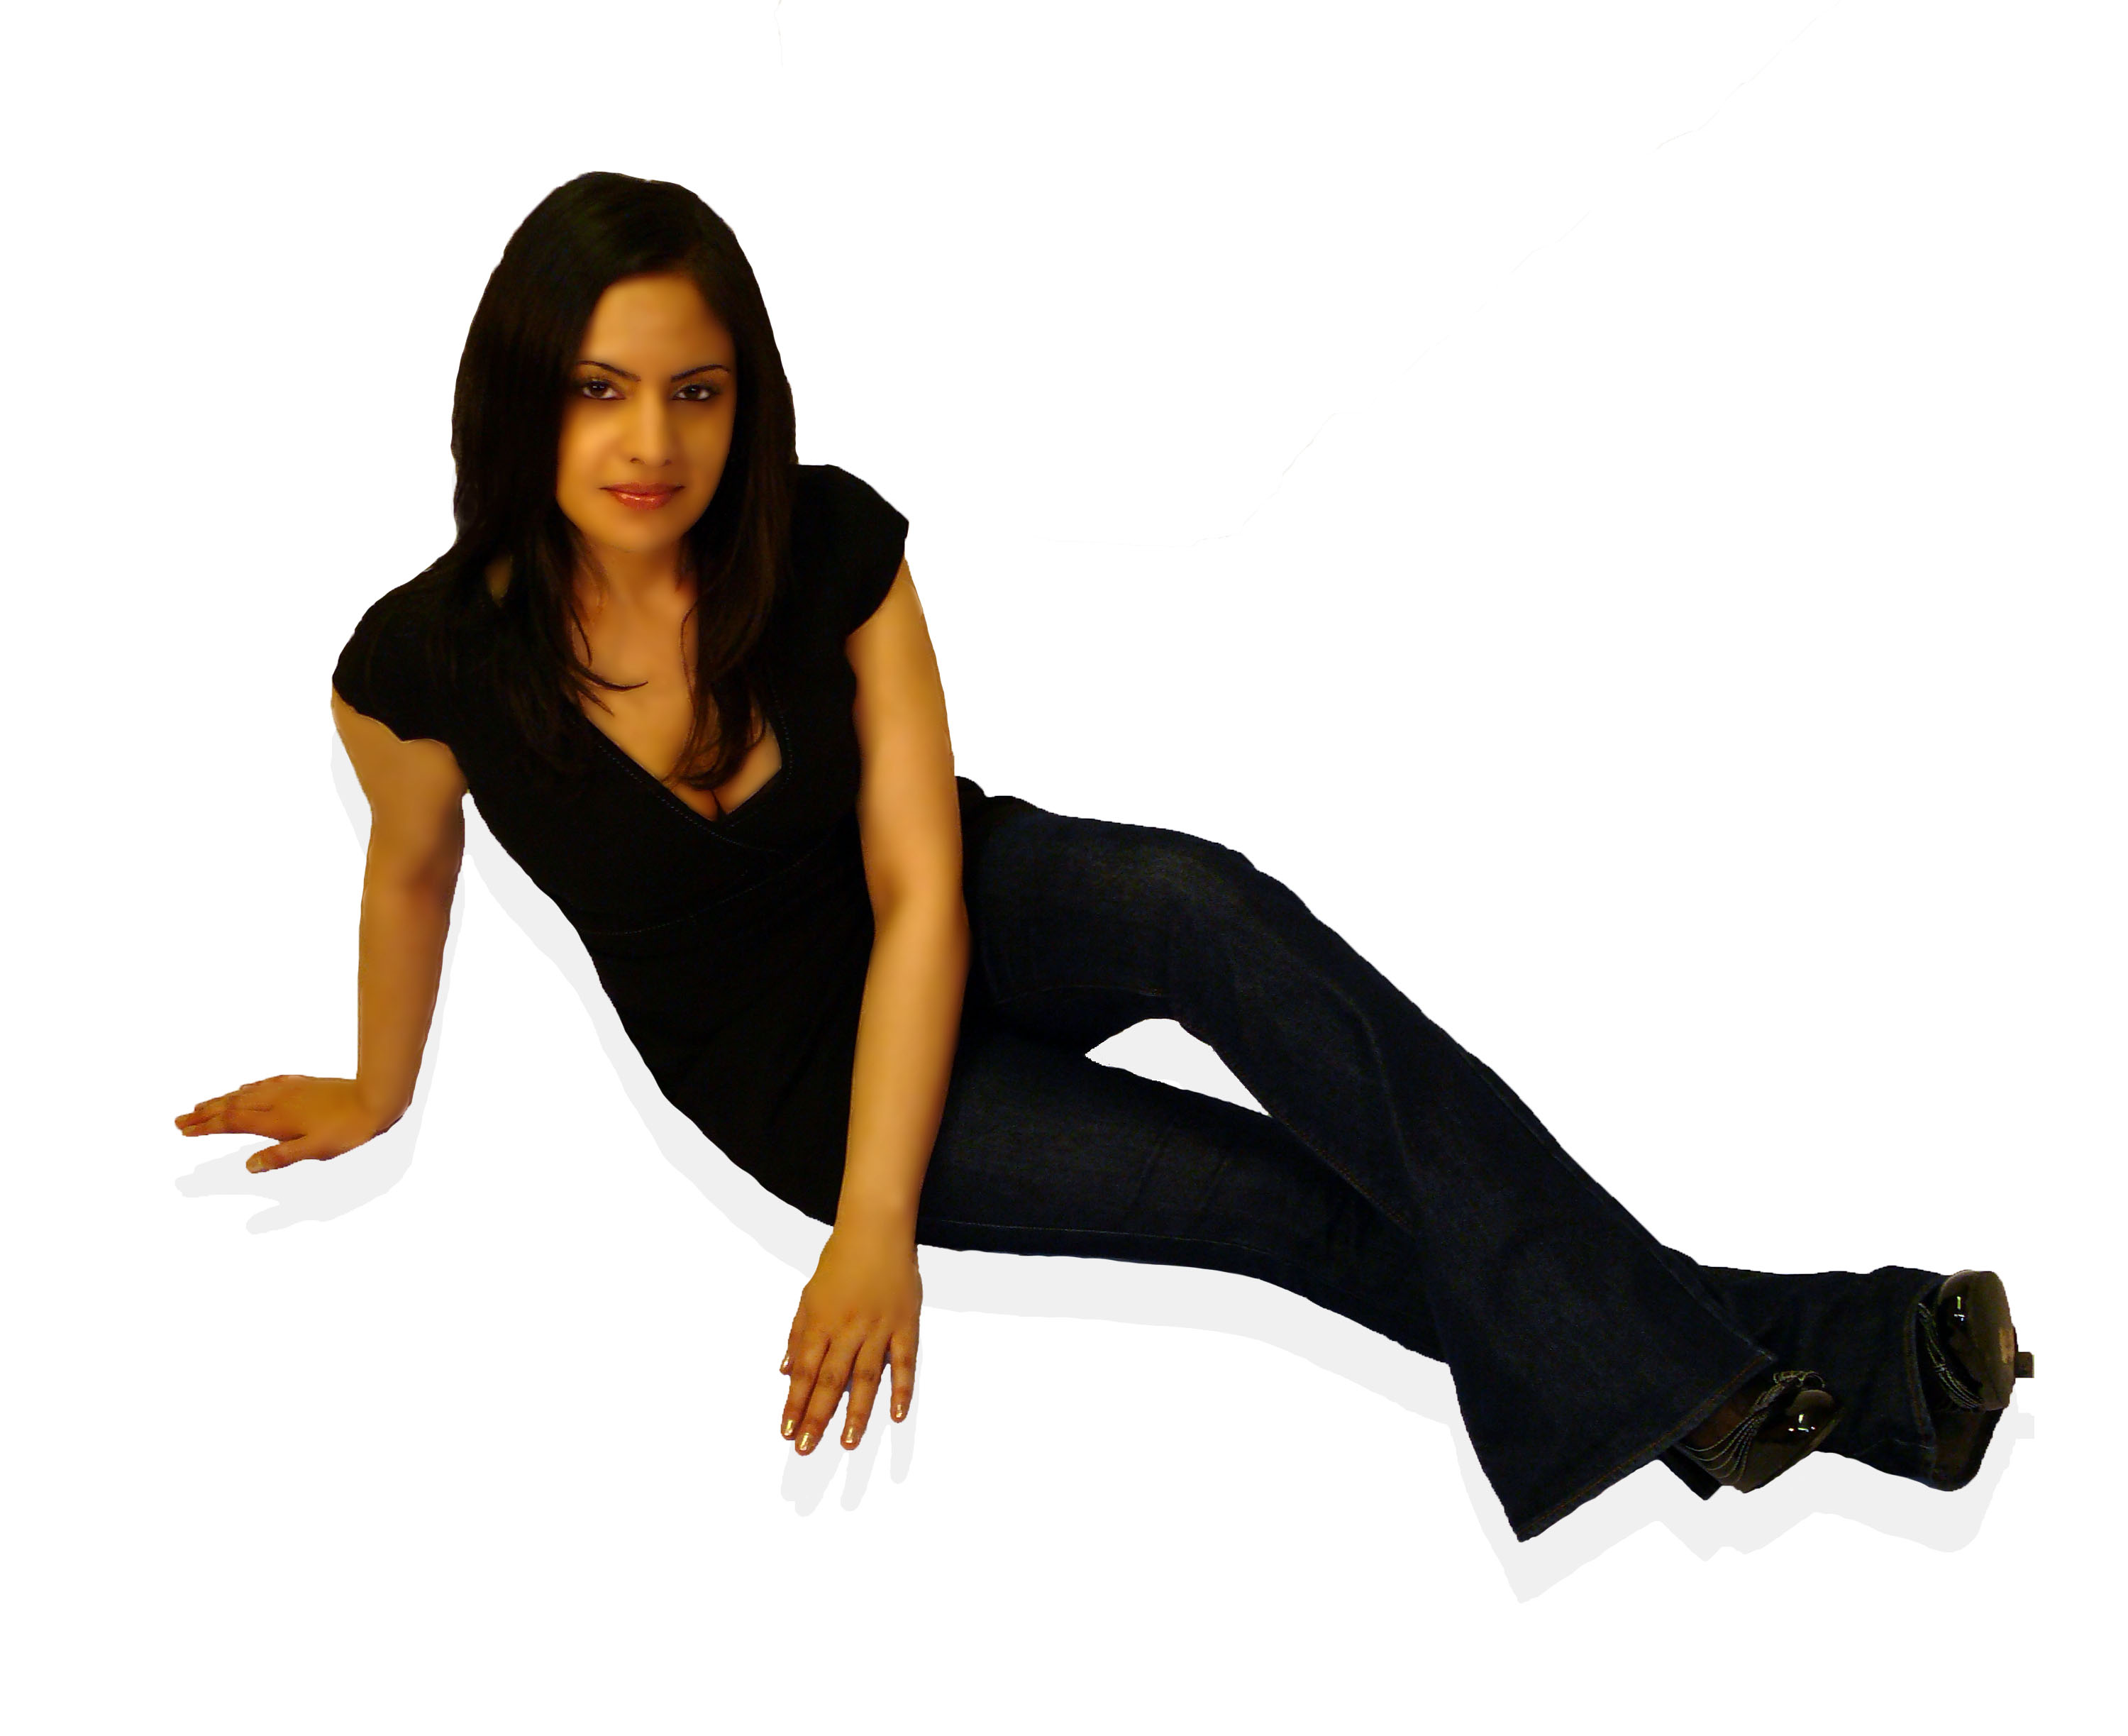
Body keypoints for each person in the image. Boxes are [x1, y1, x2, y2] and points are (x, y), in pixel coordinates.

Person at [172, 171, 2034, 1542]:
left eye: (697, 389)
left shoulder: (830, 547)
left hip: (960, 906)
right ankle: (1829, 1376)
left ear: (748, 396)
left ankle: (1730, 1392)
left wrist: (882, 1237)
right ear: (521, 398)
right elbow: (410, 870)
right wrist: (379, 1088)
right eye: (599, 390)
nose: (652, 441)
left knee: (1196, 905)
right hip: (793, 1077)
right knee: (1279, 1203)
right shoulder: (419, 669)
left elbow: (921, 889)